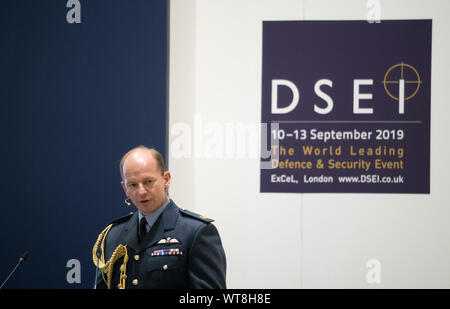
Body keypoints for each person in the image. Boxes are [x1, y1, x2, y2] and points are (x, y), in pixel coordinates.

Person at [92, 146, 226, 289]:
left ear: (166, 180)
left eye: (148, 181)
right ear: (125, 189)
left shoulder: (196, 232)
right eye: (133, 185)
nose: (141, 191)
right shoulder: (113, 236)